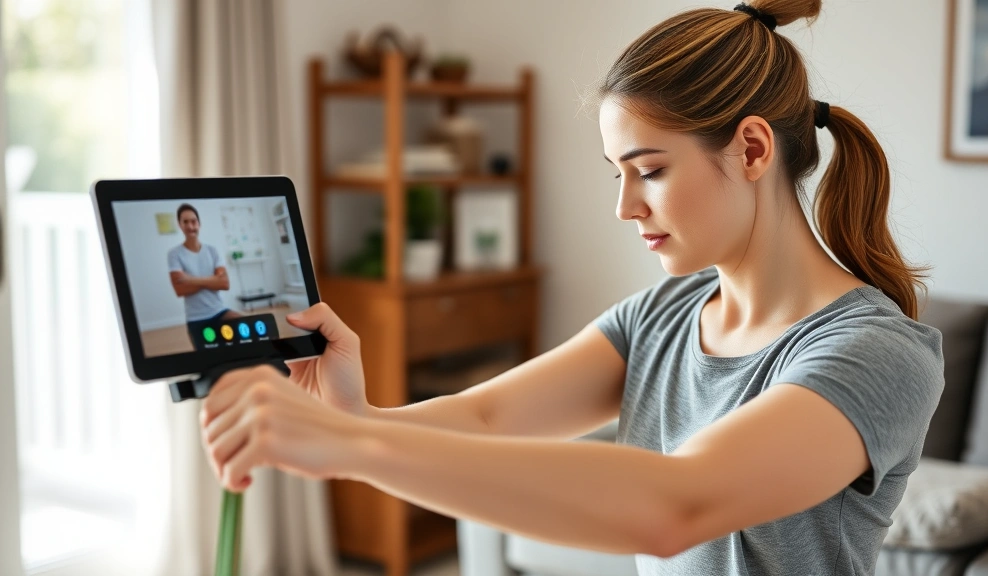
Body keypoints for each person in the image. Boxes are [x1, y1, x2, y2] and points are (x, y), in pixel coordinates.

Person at [198, 2, 944, 574]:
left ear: (752, 148)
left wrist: (351, 444)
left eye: (649, 170)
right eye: (617, 174)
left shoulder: (876, 353)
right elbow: (490, 418)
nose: (625, 207)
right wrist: (357, 418)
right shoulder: (663, 315)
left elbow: (675, 503)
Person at [167, 203, 242, 349]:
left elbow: (224, 284)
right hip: (196, 319)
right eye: (185, 222)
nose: (190, 226)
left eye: (193, 221)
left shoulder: (212, 251)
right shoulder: (174, 254)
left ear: (199, 224)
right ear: (180, 225)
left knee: (248, 330)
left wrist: (189, 279)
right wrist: (212, 280)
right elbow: (180, 290)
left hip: (219, 311)